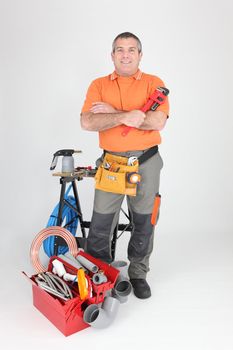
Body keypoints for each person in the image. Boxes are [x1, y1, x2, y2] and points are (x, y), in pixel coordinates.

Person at [80, 32, 169, 299]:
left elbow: (158, 122)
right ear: (112, 55)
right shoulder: (98, 85)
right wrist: (128, 116)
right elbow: (87, 122)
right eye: (120, 50)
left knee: (144, 220)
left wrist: (111, 114)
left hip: (147, 162)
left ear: (140, 55)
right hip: (111, 165)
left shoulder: (155, 84)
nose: (126, 54)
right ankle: (101, 274)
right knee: (101, 223)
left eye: (132, 50)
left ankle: (138, 274)